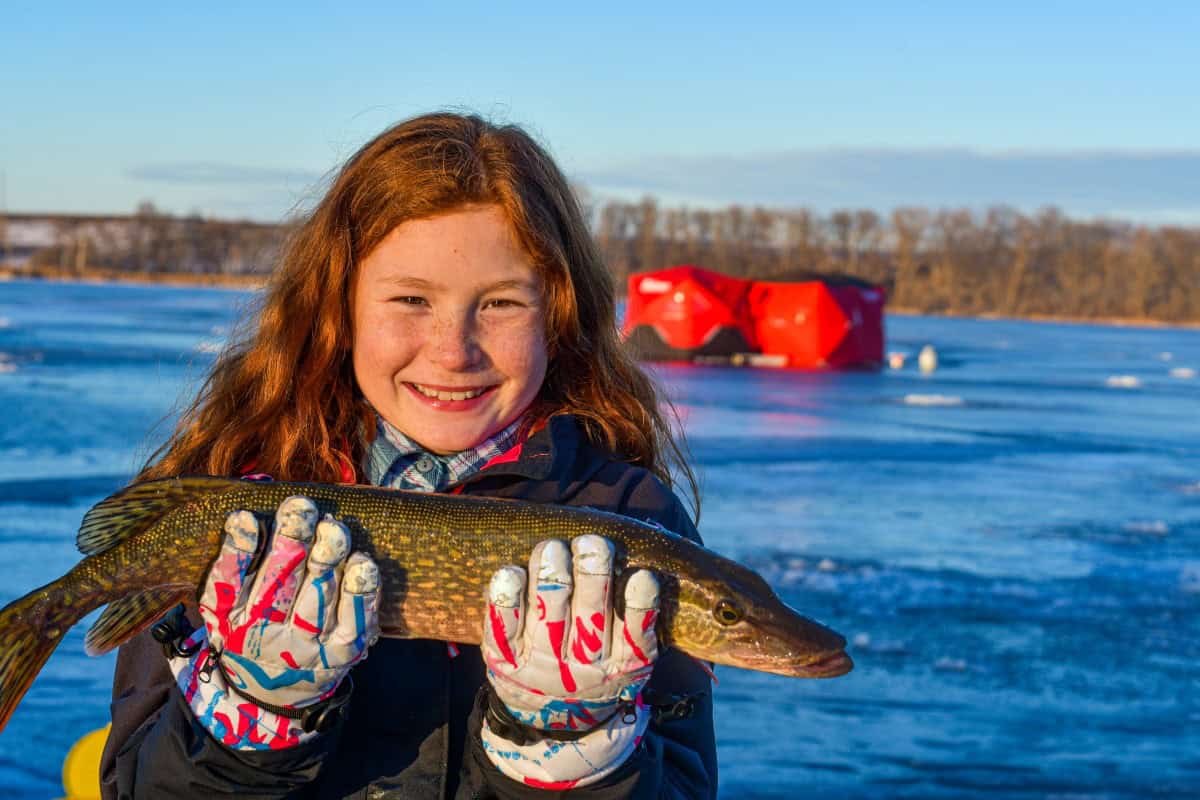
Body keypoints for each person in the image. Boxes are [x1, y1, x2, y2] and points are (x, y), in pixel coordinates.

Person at [99, 112, 717, 799]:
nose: (454, 351)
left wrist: (572, 754)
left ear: (559, 315)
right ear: (340, 308)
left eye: (502, 303)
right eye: (411, 299)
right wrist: (250, 722)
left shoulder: (630, 521)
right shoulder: (234, 499)